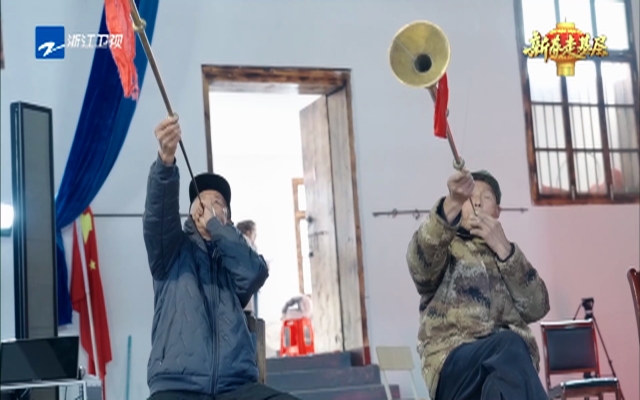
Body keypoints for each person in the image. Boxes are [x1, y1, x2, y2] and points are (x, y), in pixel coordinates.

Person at [144, 115, 299, 400]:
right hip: (177, 386)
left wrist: (217, 227)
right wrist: (165, 163)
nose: (210, 205)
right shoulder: (171, 250)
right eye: (203, 200)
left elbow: (255, 272)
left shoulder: (234, 259)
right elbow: (158, 217)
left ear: (227, 218)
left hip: (237, 387)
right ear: (192, 211)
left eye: (219, 204)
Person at [406, 169, 550, 400]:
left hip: (508, 371)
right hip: (453, 364)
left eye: (487, 197)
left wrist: (505, 250)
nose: (478, 202)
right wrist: (452, 202)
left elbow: (537, 307)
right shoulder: (446, 248)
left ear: (497, 211)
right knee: (510, 344)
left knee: (499, 385)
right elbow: (420, 265)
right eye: (470, 197)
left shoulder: (509, 256)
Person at [236, 220, 260, 316]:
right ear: (248, 232)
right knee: (251, 320)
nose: (256, 236)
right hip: (247, 291)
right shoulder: (247, 243)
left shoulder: (236, 243)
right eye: (255, 232)